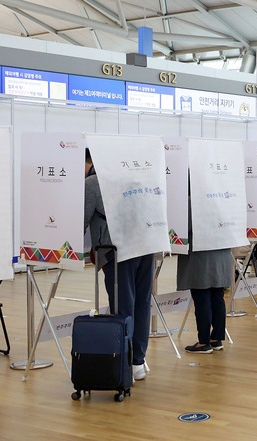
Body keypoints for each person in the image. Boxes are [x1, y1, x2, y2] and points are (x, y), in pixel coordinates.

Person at [84, 149, 154, 381]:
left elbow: (82, 220)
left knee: (123, 307)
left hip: (118, 251)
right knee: (142, 305)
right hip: (146, 246)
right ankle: (138, 363)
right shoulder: (136, 177)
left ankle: (125, 364)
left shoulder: (93, 183)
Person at [177, 196, 233, 353]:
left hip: (200, 253)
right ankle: (216, 339)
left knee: (202, 297)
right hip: (221, 249)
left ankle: (203, 342)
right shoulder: (224, 194)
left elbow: (184, 225)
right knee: (217, 295)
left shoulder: (192, 198)